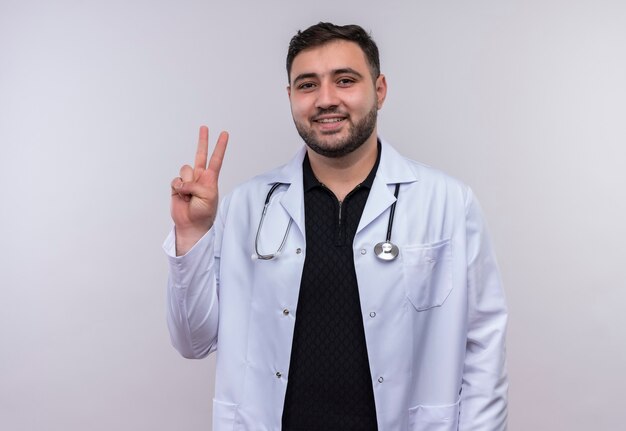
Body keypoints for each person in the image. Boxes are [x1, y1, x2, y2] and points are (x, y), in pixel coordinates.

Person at [165, 22, 508, 431]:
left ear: (379, 90)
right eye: (307, 85)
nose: (326, 100)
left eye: (345, 81)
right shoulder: (247, 206)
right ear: (290, 96)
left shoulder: (448, 202)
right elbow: (193, 341)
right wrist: (191, 236)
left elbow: (483, 345)